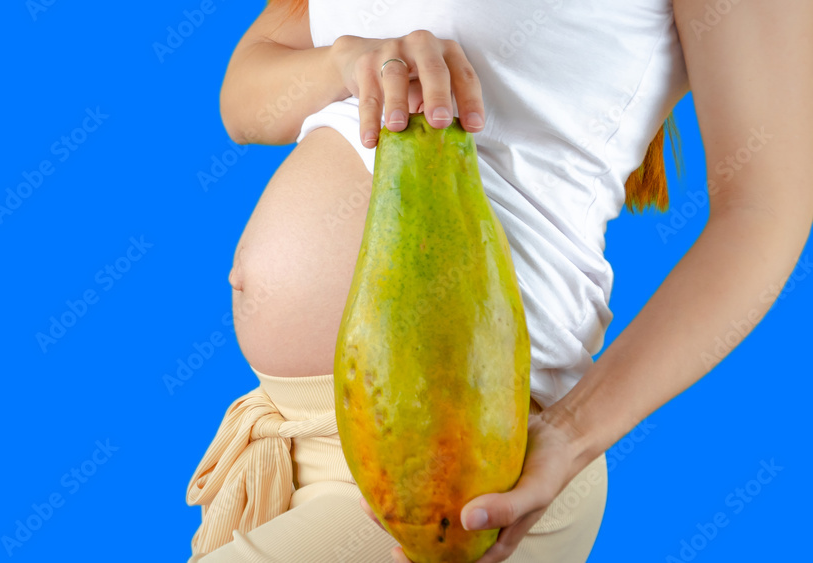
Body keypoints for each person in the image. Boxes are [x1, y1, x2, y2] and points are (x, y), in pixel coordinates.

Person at [185, 1, 812, 561]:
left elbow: (766, 210)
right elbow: (244, 100)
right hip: (294, 442)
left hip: (466, 464)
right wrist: (346, 63)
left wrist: (571, 437)